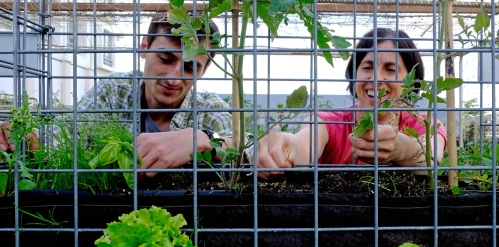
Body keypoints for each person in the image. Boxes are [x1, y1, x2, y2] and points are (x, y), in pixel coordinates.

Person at [1, 15, 232, 178]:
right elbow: (66, 135)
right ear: (144, 46)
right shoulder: (114, 91)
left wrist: (203, 139)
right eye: (165, 59)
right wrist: (23, 137)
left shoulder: (209, 108)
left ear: (206, 69)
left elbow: (244, 152)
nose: (173, 78)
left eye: (191, 68)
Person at [255, 28, 446, 180]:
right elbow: (306, 143)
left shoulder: (427, 125)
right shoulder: (329, 123)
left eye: (390, 69)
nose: (376, 78)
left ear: (411, 82)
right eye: (367, 67)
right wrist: (287, 146)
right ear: (353, 76)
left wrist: (400, 148)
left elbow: (431, 157)